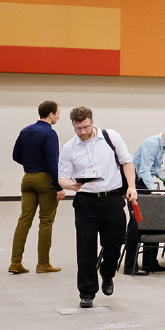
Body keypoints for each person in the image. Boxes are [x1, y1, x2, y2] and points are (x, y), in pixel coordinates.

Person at [57, 106, 139, 308]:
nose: (83, 132)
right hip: (86, 202)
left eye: (86, 127)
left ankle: (107, 272)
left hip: (112, 199)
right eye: (78, 128)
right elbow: (62, 178)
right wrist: (70, 185)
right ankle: (87, 293)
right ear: (73, 126)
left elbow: (127, 162)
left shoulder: (111, 137)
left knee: (116, 242)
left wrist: (132, 187)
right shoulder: (69, 148)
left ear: (92, 122)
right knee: (85, 248)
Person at [10, 100, 65, 275]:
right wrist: (59, 186)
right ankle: (43, 263)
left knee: (24, 220)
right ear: (50, 114)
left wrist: (29, 164)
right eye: (57, 113)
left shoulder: (25, 130)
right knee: (46, 222)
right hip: (45, 180)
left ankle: (15, 262)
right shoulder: (50, 134)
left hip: (27, 178)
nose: (58, 116)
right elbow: (52, 162)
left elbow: (15, 155)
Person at [126, 120, 165, 274]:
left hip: (145, 184)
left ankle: (149, 263)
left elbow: (156, 170)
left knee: (152, 224)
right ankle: (129, 266)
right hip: (138, 184)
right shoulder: (151, 143)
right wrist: (154, 190)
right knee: (136, 225)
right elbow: (144, 170)